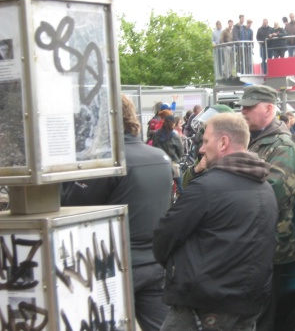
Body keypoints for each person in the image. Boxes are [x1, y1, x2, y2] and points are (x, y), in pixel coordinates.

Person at [154, 112, 278, 331]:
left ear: (223, 142)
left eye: (205, 141)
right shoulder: (266, 189)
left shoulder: (207, 188)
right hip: (247, 302)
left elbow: (164, 238)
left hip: (203, 305)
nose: (201, 149)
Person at [61, 94, 173, 331]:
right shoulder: (160, 158)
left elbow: (72, 209)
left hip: (116, 265)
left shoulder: (106, 162)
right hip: (155, 262)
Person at [237, 85, 295, 331]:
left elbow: (272, 195)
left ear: (268, 108)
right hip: (251, 241)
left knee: (261, 316)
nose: (243, 111)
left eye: (249, 107)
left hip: (269, 243)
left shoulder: (282, 145)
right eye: (242, 106)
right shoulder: (256, 140)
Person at [153, 115, 184, 196]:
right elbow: (181, 152)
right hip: (173, 164)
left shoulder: (156, 134)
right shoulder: (175, 136)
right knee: (182, 187)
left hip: (160, 165)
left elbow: (154, 148)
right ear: (173, 124)